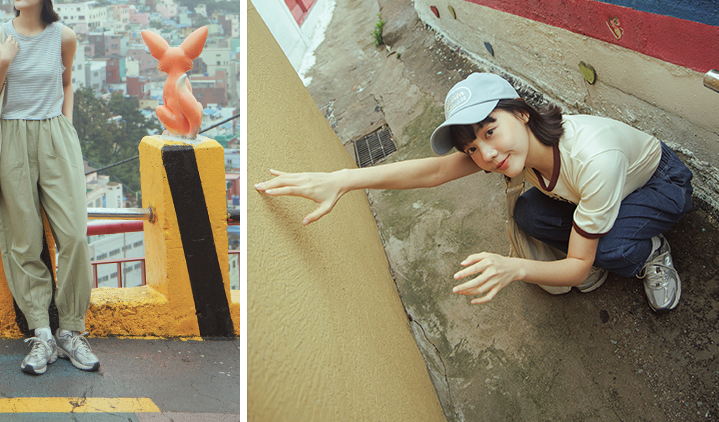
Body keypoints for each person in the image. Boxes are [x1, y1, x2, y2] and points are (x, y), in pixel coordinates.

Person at [256, 72, 693, 312]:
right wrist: (343, 180)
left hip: (659, 183)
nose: (485, 154)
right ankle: (600, 237)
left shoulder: (593, 159)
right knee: (528, 212)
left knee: (609, 250)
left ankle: (650, 251)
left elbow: (578, 268)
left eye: (489, 130)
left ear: (521, 113)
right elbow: (433, 172)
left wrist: (515, 268)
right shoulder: (512, 149)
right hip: (596, 194)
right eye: (471, 148)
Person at [0, 0, 98, 375]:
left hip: (55, 135)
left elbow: (67, 83)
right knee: (24, 240)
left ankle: (71, 329)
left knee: (75, 236)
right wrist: (6, 60)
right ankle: (42, 333)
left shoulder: (64, 36)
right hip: (12, 136)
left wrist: (66, 126)